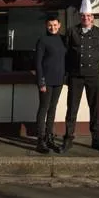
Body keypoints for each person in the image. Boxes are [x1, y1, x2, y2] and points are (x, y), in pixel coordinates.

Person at [61, 0, 99, 153]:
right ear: (80, 17)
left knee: (95, 108)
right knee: (72, 108)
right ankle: (68, 139)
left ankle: (97, 140)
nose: (86, 18)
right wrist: (68, 72)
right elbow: (66, 53)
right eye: (83, 16)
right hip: (75, 76)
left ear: (92, 18)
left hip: (93, 76)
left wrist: (96, 66)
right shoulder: (72, 31)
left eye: (88, 16)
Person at [34, 15, 66, 154]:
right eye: (49, 25)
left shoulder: (63, 39)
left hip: (59, 80)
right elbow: (38, 63)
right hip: (46, 81)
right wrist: (41, 81)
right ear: (46, 26)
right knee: (44, 108)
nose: (52, 27)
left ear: (59, 25)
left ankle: (49, 138)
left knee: (52, 109)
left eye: (55, 25)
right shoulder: (42, 40)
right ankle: (40, 140)